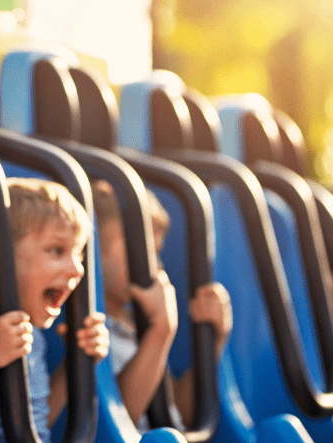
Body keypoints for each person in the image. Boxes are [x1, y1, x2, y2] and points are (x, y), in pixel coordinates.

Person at [0, 178, 109, 443]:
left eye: (79, 254)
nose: (77, 269)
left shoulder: (30, 329)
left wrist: (76, 361)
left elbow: (32, 424)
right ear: (0, 253)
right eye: (57, 250)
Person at [91, 179, 231, 426]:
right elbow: (119, 420)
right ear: (93, 248)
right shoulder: (91, 329)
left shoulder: (136, 323)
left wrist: (215, 342)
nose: (156, 265)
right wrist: (161, 330)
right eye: (144, 251)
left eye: (157, 253)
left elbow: (174, 410)